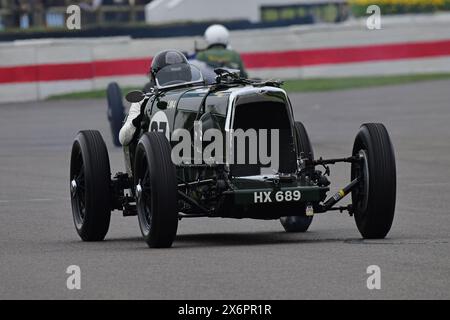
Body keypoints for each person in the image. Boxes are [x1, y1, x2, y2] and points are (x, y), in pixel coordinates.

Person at [119, 49, 190, 146]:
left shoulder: (195, 97)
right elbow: (123, 138)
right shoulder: (143, 100)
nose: (176, 79)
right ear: (156, 78)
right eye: (168, 76)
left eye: (180, 74)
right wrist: (138, 119)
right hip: (157, 152)